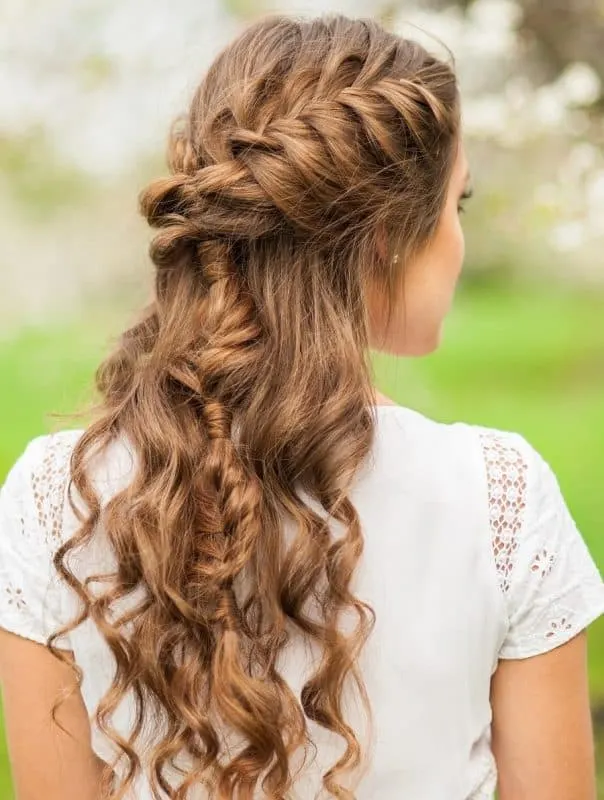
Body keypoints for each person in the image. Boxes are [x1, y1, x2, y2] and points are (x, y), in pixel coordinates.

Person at [0, 13, 603, 800]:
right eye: (459, 204)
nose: (459, 239)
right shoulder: (502, 498)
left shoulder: (58, 501)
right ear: (387, 236)